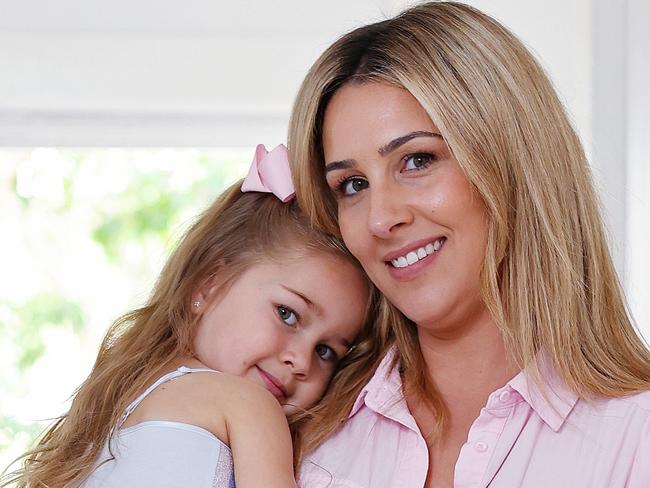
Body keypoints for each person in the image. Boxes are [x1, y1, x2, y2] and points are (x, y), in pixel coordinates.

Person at [287, 2, 650, 487]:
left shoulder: (635, 434)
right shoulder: (302, 436)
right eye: (352, 185)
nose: (380, 218)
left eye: (417, 160)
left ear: (512, 160)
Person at [1, 144, 388, 488]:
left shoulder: (127, 400)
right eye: (288, 314)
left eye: (326, 352)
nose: (300, 361)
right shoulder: (247, 406)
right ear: (207, 285)